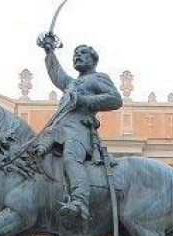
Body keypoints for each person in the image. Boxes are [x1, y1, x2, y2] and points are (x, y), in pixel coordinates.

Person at [34, 37, 122, 224]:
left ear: (93, 59)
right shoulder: (72, 83)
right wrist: (49, 52)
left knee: (70, 158)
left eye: (82, 53)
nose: (77, 57)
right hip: (56, 131)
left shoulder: (98, 78)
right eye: (75, 54)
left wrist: (83, 100)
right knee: (36, 159)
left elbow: (115, 99)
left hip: (79, 132)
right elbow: (57, 74)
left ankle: (80, 202)